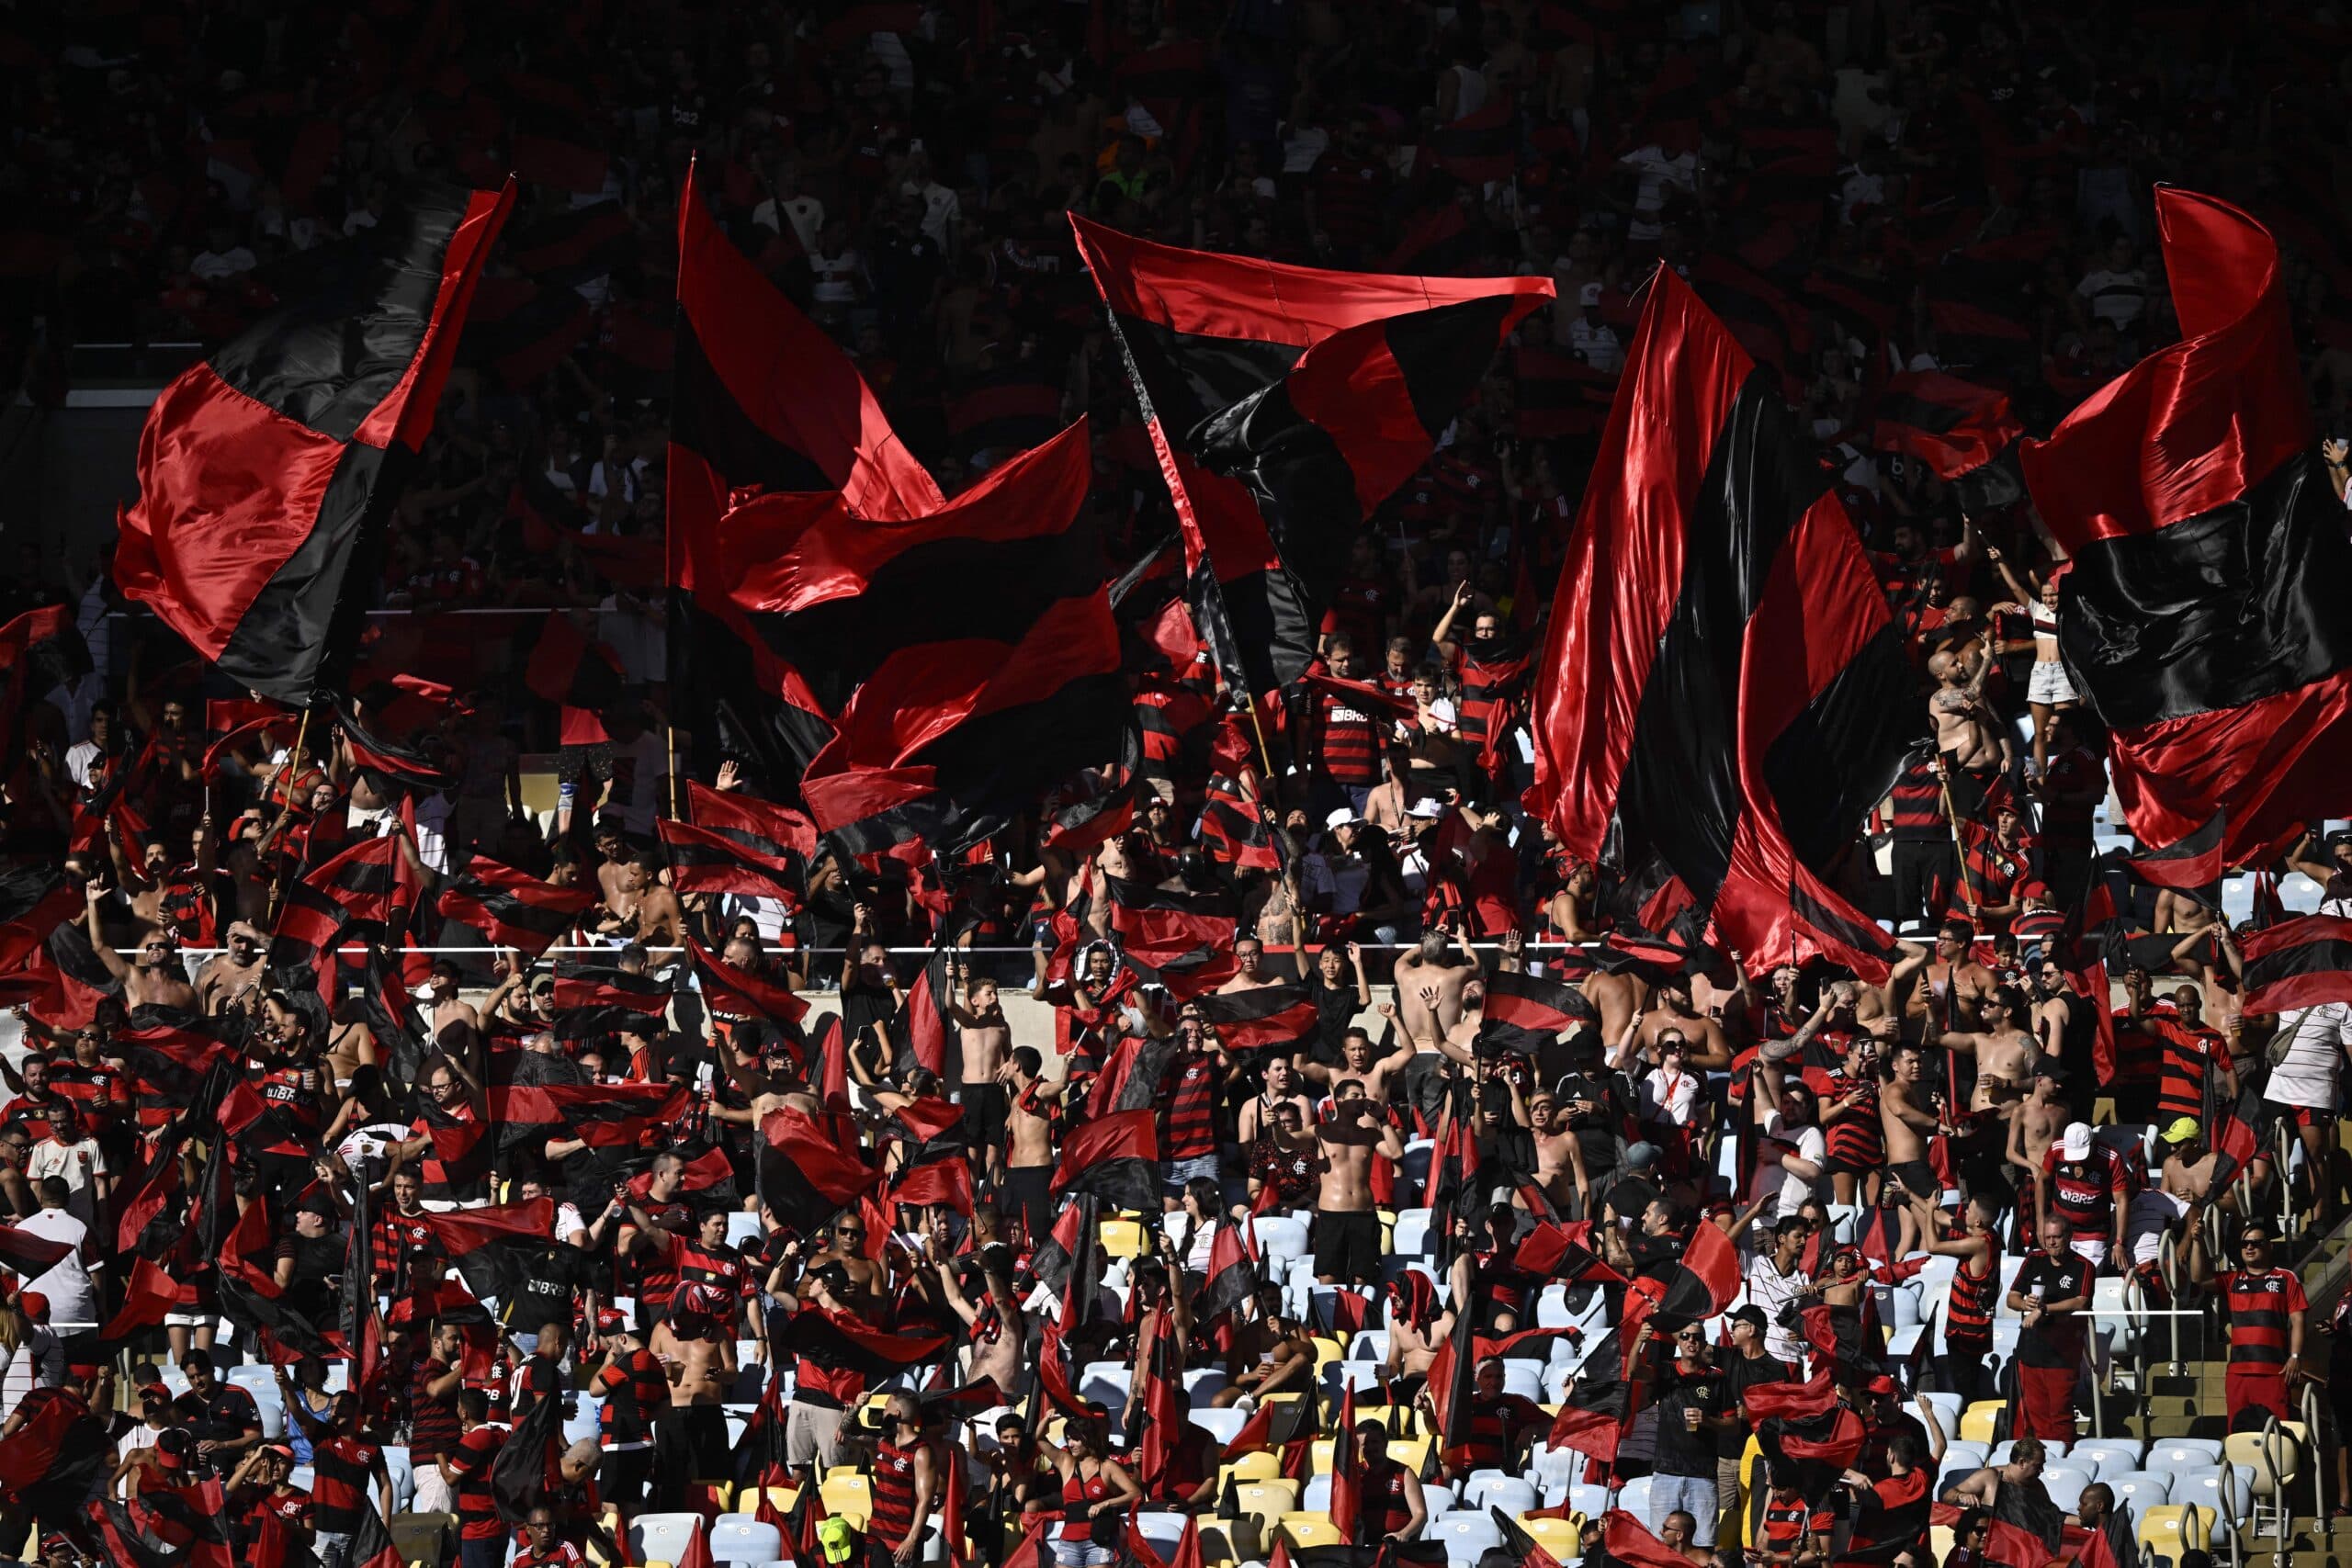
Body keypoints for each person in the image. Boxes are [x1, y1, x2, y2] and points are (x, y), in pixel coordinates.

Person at [2186, 1216, 2307, 1425]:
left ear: (2269, 1247)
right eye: (2245, 1244)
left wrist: (2295, 1356)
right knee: (2239, 1434)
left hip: (2274, 1372)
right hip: (2238, 1373)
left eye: (2256, 1243)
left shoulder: (2286, 1278)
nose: (2249, 1247)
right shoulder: (2232, 1280)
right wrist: (2197, 1241)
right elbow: (2199, 1278)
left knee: (2278, 1436)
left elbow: (2298, 1320)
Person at [2006, 1216, 2092, 1443]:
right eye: (2048, 1237)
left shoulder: (2083, 1266)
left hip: (2061, 1354)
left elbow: (2081, 1301)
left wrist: (2044, 1309)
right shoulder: (2034, 1259)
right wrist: (2026, 1304)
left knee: (2059, 1417)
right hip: (2030, 1350)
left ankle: (2063, 1464)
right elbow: (2011, 1298)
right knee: (2033, 1417)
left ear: (2069, 1237)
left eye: (2057, 1237)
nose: (2051, 1242)